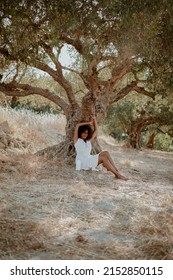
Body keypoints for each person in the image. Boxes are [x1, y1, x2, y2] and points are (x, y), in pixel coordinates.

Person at [74, 116, 128, 180]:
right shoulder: (77, 141)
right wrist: (89, 123)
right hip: (83, 162)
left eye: (86, 133)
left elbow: (96, 130)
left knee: (106, 153)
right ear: (80, 133)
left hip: (89, 158)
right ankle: (117, 175)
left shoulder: (88, 142)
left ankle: (116, 171)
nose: (85, 134)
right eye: (83, 132)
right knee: (103, 158)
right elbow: (77, 125)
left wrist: (94, 119)